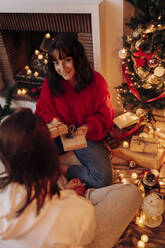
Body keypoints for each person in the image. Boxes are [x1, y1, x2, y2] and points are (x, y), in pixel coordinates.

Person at [0, 108, 142, 248]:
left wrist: (65, 193)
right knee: (131, 192)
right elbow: (83, 238)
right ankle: (80, 192)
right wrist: (73, 199)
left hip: (58, 198)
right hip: (75, 225)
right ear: (52, 156)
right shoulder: (77, 211)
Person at [35, 32, 114, 189]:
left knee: (103, 178)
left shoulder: (97, 82)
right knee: (25, 156)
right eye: (56, 63)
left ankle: (62, 169)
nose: (62, 68)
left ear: (77, 58)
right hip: (59, 135)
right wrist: (54, 121)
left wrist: (87, 127)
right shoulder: (50, 82)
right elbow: (42, 109)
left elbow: (105, 115)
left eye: (67, 60)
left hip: (85, 136)